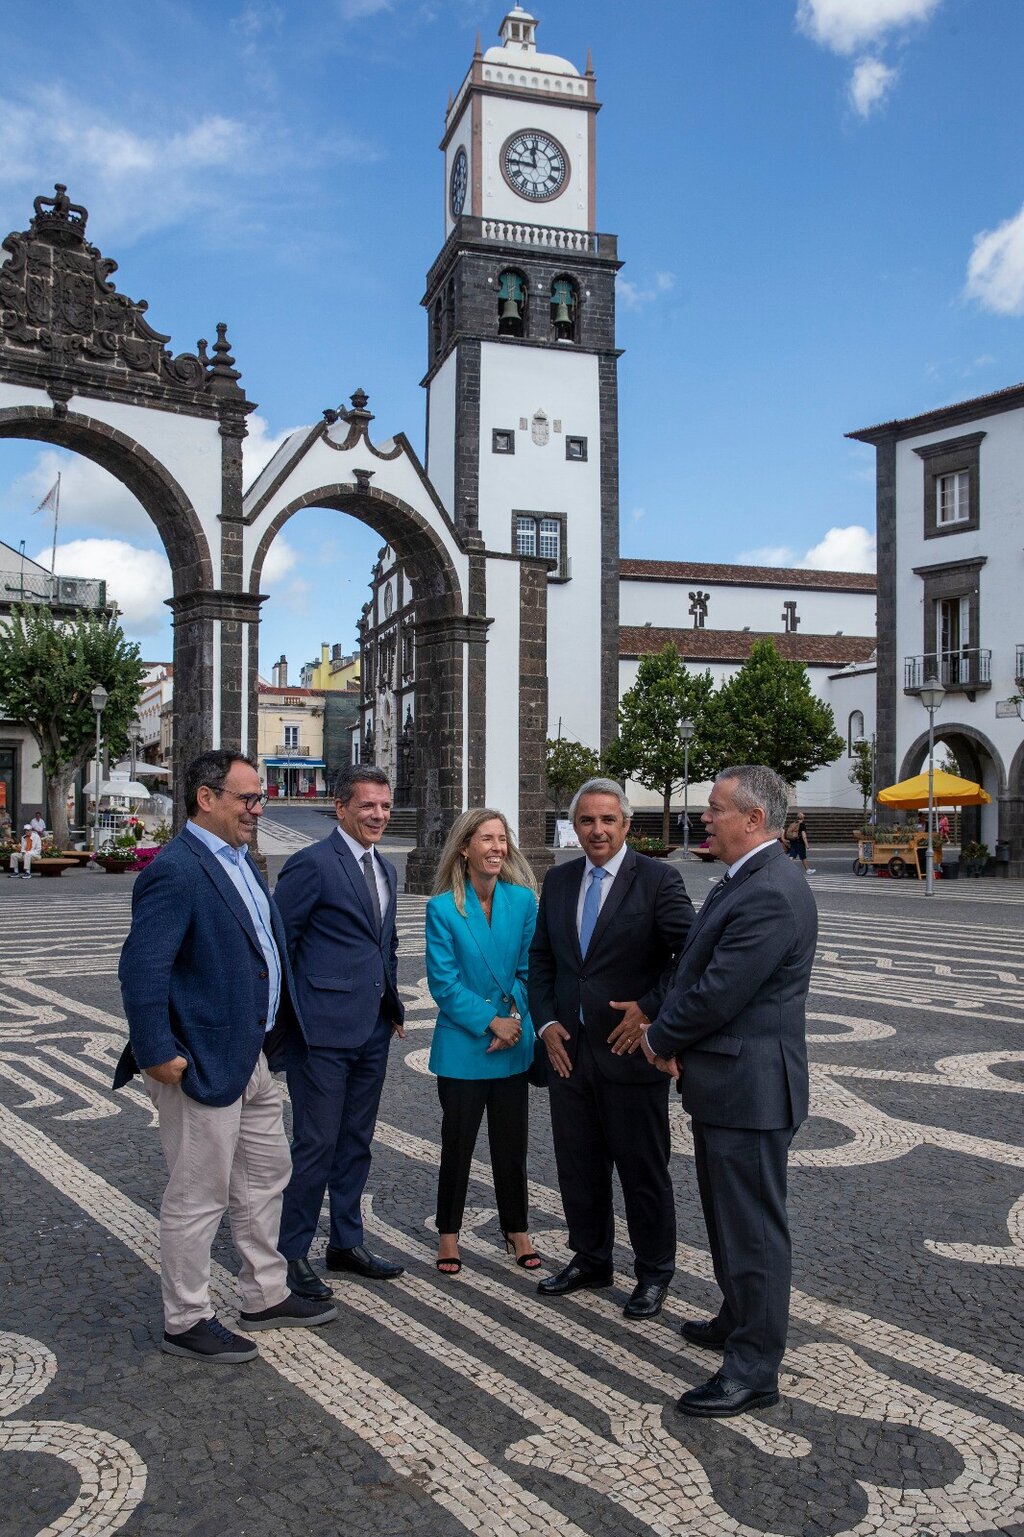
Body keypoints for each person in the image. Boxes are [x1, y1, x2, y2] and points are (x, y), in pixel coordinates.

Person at [114, 749, 337, 1363]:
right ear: (206, 798)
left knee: (265, 1176)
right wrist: (160, 1053)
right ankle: (185, 1317)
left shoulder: (240, 860)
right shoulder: (177, 869)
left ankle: (265, 1292)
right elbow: (142, 969)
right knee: (197, 1193)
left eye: (259, 797)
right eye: (247, 798)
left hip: (253, 1055)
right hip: (202, 1060)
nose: (258, 808)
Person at [643, 764, 817, 1418]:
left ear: (752, 818)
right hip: (729, 1080)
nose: (703, 817)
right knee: (726, 1216)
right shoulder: (747, 875)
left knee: (754, 1230)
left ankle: (754, 1365)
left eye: (715, 808)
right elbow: (695, 966)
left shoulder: (771, 887)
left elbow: (720, 989)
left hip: (752, 1085)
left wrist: (662, 1037)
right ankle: (737, 1315)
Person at [528, 777, 694, 1320]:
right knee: (578, 1165)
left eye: (607, 820)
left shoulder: (658, 880)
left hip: (629, 1052)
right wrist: (546, 1022)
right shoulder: (558, 880)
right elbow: (543, 961)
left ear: (626, 825)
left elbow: (689, 957)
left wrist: (649, 1008)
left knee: (643, 1169)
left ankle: (653, 1272)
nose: (596, 830)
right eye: (586, 821)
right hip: (569, 1053)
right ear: (573, 827)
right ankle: (590, 1256)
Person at [274, 765, 405, 1298]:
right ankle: (291, 1252)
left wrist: (392, 1003)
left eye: (385, 806)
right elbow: (280, 945)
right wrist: (290, 1020)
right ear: (341, 808)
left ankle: (345, 1242)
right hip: (322, 1034)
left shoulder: (387, 870)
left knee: (356, 1142)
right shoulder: (312, 864)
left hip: (373, 1028)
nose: (378, 815)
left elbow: (385, 942)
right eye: (368, 806)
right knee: (316, 1143)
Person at [425, 808, 540, 1276]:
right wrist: (492, 1022)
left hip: (512, 1041)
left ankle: (518, 1229)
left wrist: (512, 1017)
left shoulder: (523, 901)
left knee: (512, 1147)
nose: (497, 848)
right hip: (465, 1045)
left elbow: (532, 970)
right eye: (487, 839)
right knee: (457, 1144)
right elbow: (443, 984)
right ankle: (448, 1234)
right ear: (465, 847)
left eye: (502, 839)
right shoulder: (442, 909)